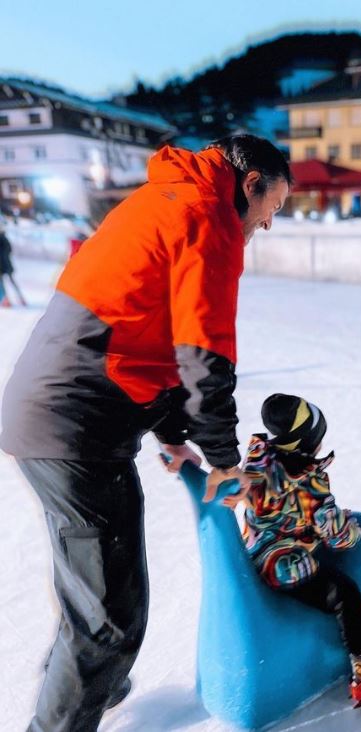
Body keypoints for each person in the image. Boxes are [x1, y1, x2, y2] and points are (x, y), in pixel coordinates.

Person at [0, 134, 291, 732]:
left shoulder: (166, 197)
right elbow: (204, 357)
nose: (267, 224)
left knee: (97, 594)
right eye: (274, 207)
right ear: (251, 182)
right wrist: (224, 459)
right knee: (109, 618)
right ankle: (68, 711)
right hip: (72, 426)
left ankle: (91, 682)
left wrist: (173, 432)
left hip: (61, 415)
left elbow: (145, 337)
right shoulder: (207, 218)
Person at [242, 393, 361, 708]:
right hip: (284, 563)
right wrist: (352, 528)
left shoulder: (258, 456)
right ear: (307, 444)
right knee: (344, 594)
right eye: (318, 437)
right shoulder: (309, 484)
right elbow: (338, 537)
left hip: (255, 550)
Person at [0, 222, 26, 306]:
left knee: (4, 283)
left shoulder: (2, 239)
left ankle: (7, 300)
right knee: (9, 282)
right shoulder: (5, 238)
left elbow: (7, 251)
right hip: (6, 264)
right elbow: (9, 250)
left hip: (3, 264)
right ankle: (17, 298)